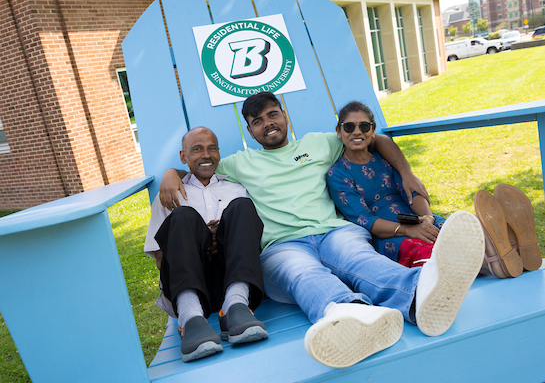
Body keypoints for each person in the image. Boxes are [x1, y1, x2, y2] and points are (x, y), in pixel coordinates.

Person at [160, 92, 485, 368]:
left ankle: (420, 295)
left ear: (285, 116)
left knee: (358, 259)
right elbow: (196, 165)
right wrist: (169, 175)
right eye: (258, 121)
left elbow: (377, 139)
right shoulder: (239, 164)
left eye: (273, 114)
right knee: (302, 273)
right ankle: (349, 314)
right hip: (282, 247)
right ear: (250, 130)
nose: (268, 123)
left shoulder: (320, 143)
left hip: (333, 231)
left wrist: (407, 172)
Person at [144, 127, 268, 363]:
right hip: (188, 284)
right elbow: (162, 260)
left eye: (212, 148)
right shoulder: (170, 195)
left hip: (230, 279)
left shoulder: (237, 189)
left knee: (242, 206)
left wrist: (219, 238)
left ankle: (235, 306)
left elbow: (251, 242)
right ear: (183, 157)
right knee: (182, 216)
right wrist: (199, 240)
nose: (206, 155)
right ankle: (190, 319)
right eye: (197, 149)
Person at [327, 101, 446, 268]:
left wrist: (428, 218)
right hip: (388, 235)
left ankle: (490, 262)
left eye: (364, 126)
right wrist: (409, 230)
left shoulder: (384, 160)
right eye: (348, 127)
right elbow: (365, 220)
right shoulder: (338, 174)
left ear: (373, 130)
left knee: (459, 232)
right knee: (431, 253)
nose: (357, 132)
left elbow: (412, 192)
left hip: (419, 221)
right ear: (338, 132)